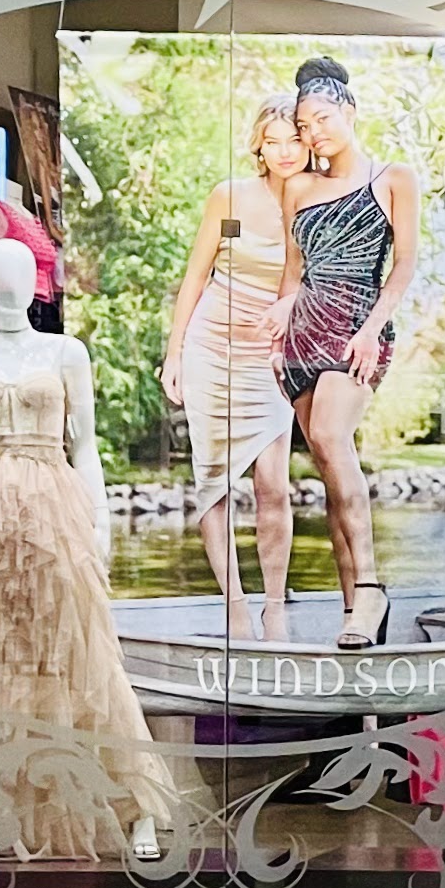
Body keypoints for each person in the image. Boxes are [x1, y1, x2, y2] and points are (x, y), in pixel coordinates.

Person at [259, 57, 420, 650]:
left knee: (329, 436)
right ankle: (354, 609)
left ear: (349, 111)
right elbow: (294, 268)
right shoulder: (298, 187)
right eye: (304, 126)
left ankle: (371, 586)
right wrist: (280, 325)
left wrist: (373, 328)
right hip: (303, 333)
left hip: (357, 325)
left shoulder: (393, 178)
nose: (314, 134)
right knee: (329, 468)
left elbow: (404, 264)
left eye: (322, 119)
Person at [162, 95, 307, 641]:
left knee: (274, 484)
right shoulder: (230, 197)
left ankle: (275, 607)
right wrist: (175, 352)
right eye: (274, 141)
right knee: (214, 483)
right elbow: (196, 276)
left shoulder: (320, 200)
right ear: (259, 147)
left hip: (268, 356)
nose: (285, 152)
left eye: (294, 140)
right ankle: (235, 606)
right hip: (211, 347)